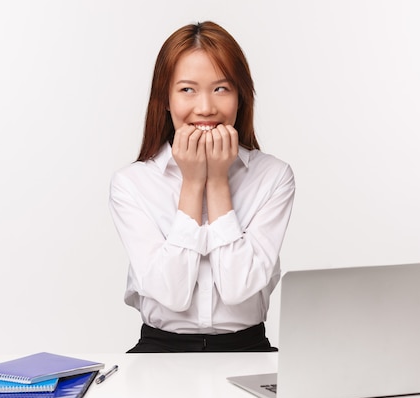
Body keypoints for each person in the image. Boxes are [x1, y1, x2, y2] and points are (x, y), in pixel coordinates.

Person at [109, 21, 295, 353]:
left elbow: (239, 288)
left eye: (221, 88)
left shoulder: (274, 177)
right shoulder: (132, 184)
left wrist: (218, 180)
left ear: (241, 97)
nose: (206, 107)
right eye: (187, 90)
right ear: (165, 99)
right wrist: (194, 183)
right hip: (159, 351)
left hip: (248, 349)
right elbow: (170, 293)